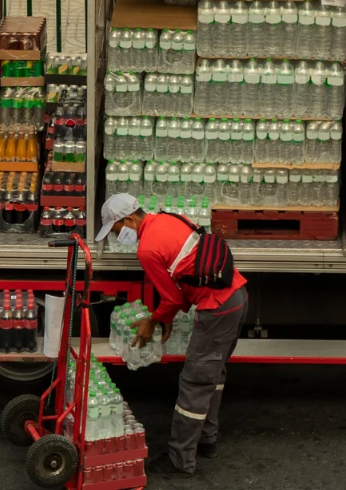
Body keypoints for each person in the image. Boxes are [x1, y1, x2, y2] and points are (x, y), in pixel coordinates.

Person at [95, 193, 248, 479]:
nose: (117, 237)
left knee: (194, 382)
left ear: (128, 220)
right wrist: (163, 317)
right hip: (237, 296)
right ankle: (208, 440)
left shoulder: (147, 249)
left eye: (116, 230)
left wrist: (153, 320)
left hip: (216, 309)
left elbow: (171, 299)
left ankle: (181, 461)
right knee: (213, 375)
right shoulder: (171, 217)